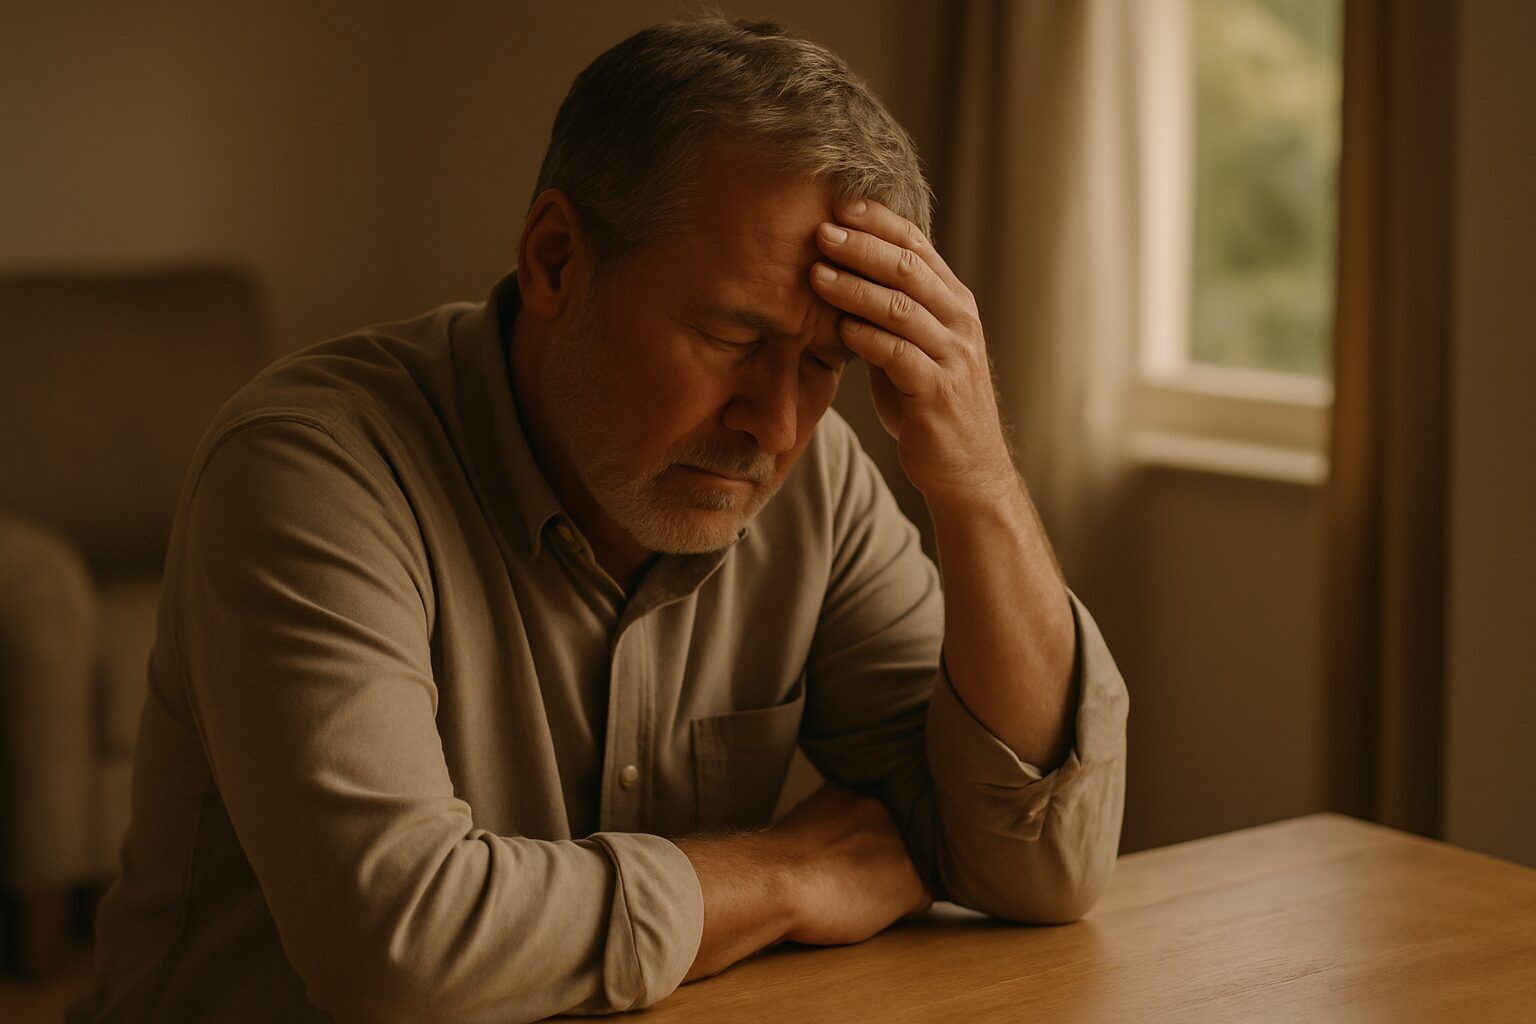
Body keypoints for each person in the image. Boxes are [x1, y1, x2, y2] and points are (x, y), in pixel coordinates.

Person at [68, 14, 1128, 1024]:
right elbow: (395, 946)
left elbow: (1036, 862)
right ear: (557, 261)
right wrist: (787, 870)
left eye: (822, 364)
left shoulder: (820, 481)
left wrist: (979, 480)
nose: (775, 423)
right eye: (732, 336)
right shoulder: (309, 469)